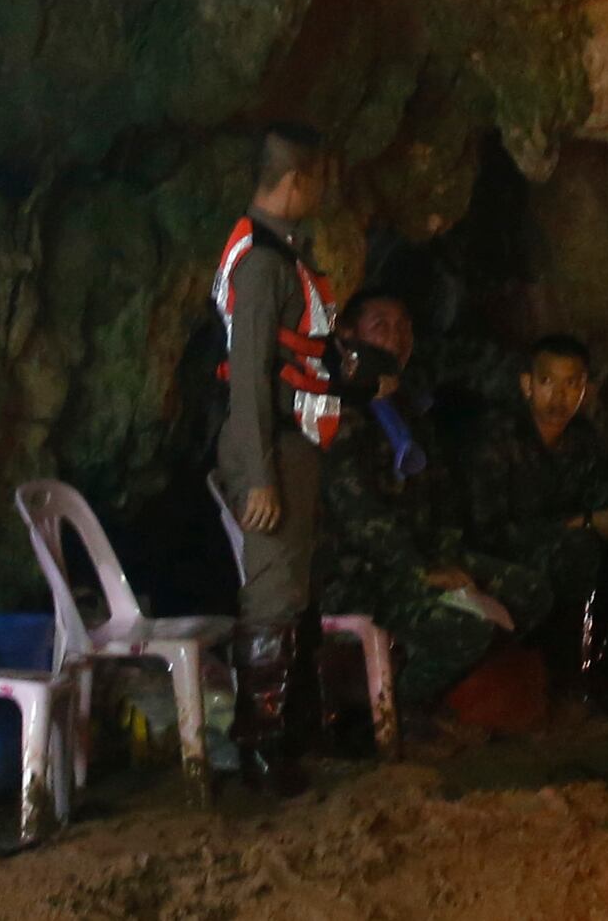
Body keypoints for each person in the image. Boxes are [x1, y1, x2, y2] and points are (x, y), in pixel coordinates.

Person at [321, 292, 586, 721]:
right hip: (363, 572)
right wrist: (420, 569)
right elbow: (359, 515)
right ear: (348, 335)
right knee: (465, 628)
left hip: (421, 555)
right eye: (381, 326)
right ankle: (391, 715)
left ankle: (452, 696)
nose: (396, 338)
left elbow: (439, 497)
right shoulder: (341, 412)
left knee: (530, 591)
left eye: (403, 326)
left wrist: (448, 557)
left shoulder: (408, 408)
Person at [212, 122, 351, 794]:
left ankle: (292, 738)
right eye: (318, 178)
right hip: (273, 446)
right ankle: (260, 754)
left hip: (294, 443)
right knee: (270, 594)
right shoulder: (265, 264)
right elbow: (248, 375)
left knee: (294, 591)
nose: (323, 190)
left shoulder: (280, 253)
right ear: (295, 182)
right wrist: (259, 474)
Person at [466, 333, 608, 695]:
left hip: (562, 538)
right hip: (499, 547)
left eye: (572, 384)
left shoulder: (581, 440)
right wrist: (585, 524)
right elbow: (488, 529)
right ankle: (564, 688)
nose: (560, 396)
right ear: (527, 385)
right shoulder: (498, 438)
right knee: (576, 552)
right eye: (547, 382)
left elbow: (603, 491)